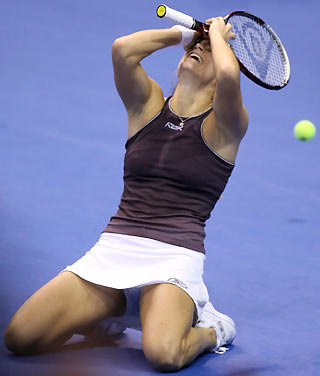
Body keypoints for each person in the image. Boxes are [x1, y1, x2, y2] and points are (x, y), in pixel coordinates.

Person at [4, 16, 248, 372]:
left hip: (174, 257)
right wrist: (186, 33)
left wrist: (219, 37)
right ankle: (113, 309)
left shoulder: (226, 126)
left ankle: (212, 328)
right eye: (197, 45)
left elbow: (229, 76)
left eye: (209, 50)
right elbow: (123, 49)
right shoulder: (146, 104)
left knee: (164, 354)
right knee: (20, 337)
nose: (200, 48)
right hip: (115, 248)